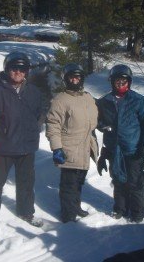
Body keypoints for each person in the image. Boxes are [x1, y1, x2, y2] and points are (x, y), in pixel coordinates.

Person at [0, 51, 43, 241]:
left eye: (22, 69)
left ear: (27, 71)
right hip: (2, 149)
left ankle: (26, 212)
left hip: (27, 147)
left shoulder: (34, 92)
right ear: (7, 69)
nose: (18, 72)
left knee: (26, 183)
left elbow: (39, 114)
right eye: (14, 68)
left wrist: (33, 130)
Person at [96, 64, 144, 223]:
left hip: (133, 148)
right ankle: (120, 208)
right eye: (117, 81)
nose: (120, 84)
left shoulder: (138, 100)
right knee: (118, 179)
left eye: (124, 81)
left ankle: (138, 211)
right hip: (114, 148)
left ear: (129, 82)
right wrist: (101, 126)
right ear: (112, 82)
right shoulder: (104, 101)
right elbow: (97, 120)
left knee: (135, 182)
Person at [45, 63, 99, 223]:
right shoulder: (60, 100)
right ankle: (68, 216)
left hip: (85, 147)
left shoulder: (88, 97)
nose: (75, 80)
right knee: (69, 185)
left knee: (79, 182)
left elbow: (92, 118)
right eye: (71, 77)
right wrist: (57, 148)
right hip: (69, 149)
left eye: (77, 77)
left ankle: (75, 207)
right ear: (66, 79)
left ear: (81, 79)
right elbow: (53, 125)